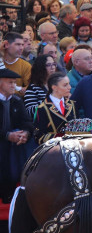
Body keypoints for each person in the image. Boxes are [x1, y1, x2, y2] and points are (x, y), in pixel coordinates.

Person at [0, 68, 33, 202]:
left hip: (13, 149)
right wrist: (7, 135)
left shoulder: (17, 100)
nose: (14, 85)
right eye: (10, 82)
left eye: (14, 82)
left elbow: (27, 122)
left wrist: (26, 133)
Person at [32, 72, 76, 144]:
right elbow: (38, 136)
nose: (69, 87)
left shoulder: (72, 104)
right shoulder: (42, 109)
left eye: (69, 84)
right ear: (54, 88)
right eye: (65, 85)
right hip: (53, 151)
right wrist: (62, 137)